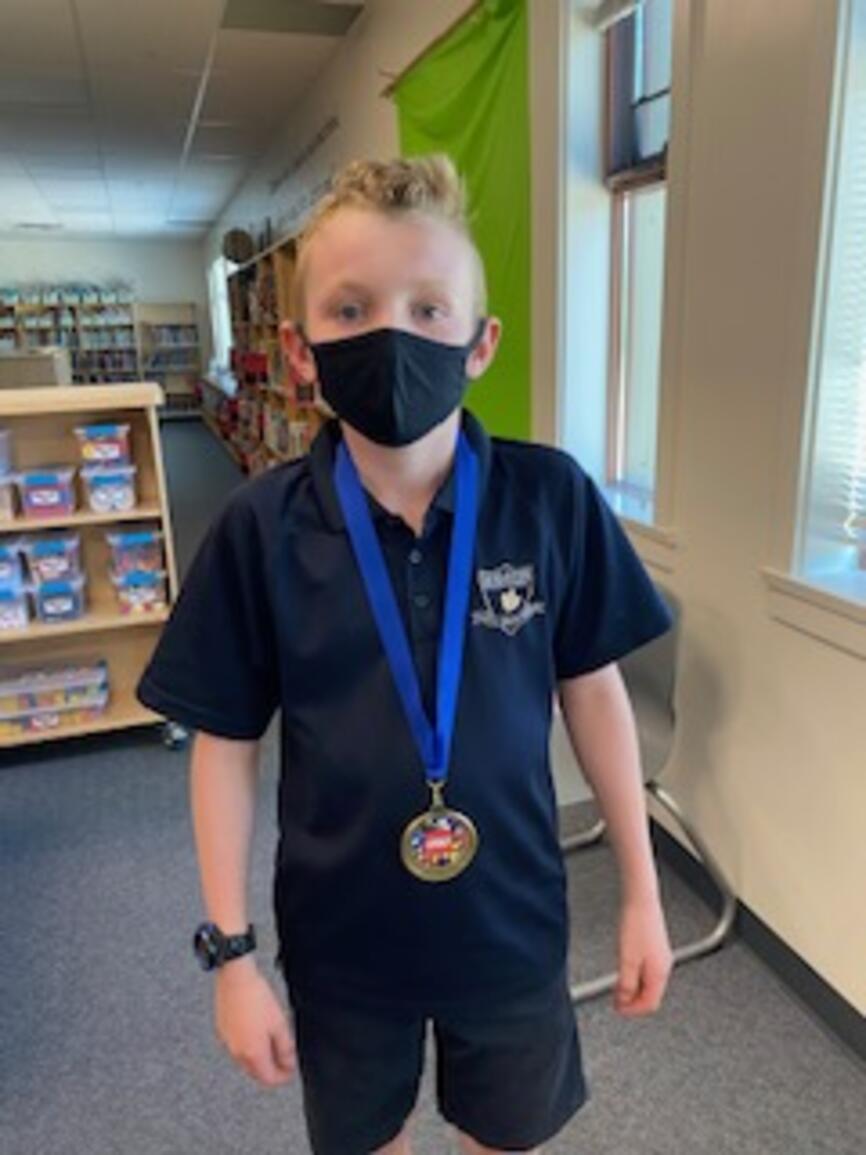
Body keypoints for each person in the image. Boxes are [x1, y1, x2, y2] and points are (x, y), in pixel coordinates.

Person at [137, 154, 675, 1155]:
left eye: (429, 309)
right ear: (299, 350)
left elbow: (594, 694)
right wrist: (232, 955)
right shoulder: (261, 528)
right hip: (343, 939)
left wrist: (642, 894)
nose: (393, 334)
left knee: (506, 1137)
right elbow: (224, 742)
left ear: (480, 343)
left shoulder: (548, 499)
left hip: (509, 922)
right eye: (351, 310)